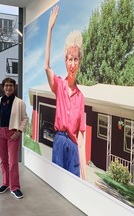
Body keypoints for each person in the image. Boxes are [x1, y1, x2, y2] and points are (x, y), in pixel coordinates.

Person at [44, 5, 87, 179]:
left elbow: (81, 138)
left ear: (79, 62)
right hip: (60, 142)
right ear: (65, 61)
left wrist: (85, 178)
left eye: (76, 59)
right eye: (70, 59)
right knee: (58, 186)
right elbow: (46, 67)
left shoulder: (81, 97)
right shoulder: (59, 86)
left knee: (75, 185)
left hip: (74, 147)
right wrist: (49, 29)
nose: (72, 63)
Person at [0, 78, 29, 199]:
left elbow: (25, 118)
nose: (8, 88)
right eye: (6, 85)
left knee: (13, 162)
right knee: (3, 160)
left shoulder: (19, 102)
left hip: (13, 133)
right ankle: (6, 183)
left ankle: (15, 187)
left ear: (14, 87)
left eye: (11, 85)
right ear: (3, 87)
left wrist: (19, 131)